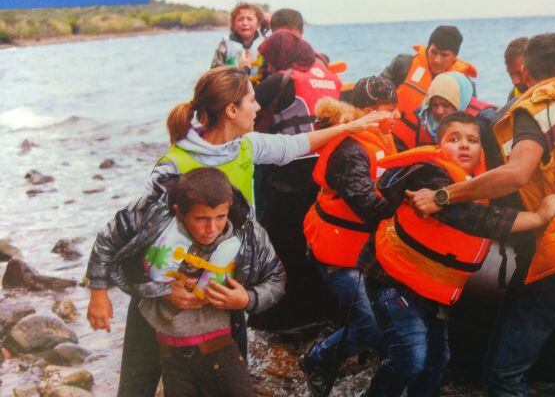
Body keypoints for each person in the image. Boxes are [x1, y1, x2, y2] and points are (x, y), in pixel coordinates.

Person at [88, 65, 388, 397]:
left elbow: (295, 145)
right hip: (161, 297)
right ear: (232, 110)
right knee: (137, 388)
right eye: (252, 100)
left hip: (219, 293)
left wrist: (350, 127)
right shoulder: (174, 166)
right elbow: (125, 234)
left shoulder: (245, 146)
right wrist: (137, 290)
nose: (258, 107)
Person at [408, 33, 555, 396]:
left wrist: (445, 195)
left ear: (526, 72)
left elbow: (517, 173)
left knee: (503, 372)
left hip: (552, 252)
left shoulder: (537, 109)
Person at [359, 111, 555, 397]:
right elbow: (472, 217)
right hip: (392, 280)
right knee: (411, 357)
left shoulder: (478, 182)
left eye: (472, 140)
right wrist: (538, 217)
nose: (464, 145)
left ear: (482, 149)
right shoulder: (429, 174)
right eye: (454, 139)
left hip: (432, 290)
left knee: (436, 360)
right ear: (439, 145)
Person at [88, 168, 284, 396]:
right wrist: (99, 293)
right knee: (135, 390)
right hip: (160, 332)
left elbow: (276, 278)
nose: (211, 229)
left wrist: (247, 299)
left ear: (228, 208)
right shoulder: (151, 213)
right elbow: (107, 240)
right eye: (201, 219)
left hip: (221, 338)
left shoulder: (248, 232)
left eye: (220, 218)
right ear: (179, 213)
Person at [299, 76, 400, 395]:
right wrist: (411, 207)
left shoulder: (381, 137)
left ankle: (380, 364)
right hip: (338, 250)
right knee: (371, 325)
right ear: (369, 112)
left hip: (366, 247)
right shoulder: (350, 149)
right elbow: (368, 205)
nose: (397, 115)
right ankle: (316, 359)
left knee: (382, 318)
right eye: (390, 109)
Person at [250, 29, 349, 330]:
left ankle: (280, 319)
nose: (267, 64)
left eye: (268, 58)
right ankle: (324, 313)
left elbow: (245, 107)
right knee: (314, 246)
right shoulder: (329, 76)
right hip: (326, 172)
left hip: (289, 174)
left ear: (279, 56)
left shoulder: (279, 81)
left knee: (281, 246)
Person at [381, 25, 478, 150]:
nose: (437, 59)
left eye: (444, 55)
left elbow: (469, 127)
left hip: (434, 150)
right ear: (428, 49)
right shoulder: (403, 65)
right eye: (434, 52)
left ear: (454, 57)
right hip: (394, 142)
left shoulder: (465, 86)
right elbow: (376, 97)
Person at [414, 71, 495, 146]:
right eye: (434, 105)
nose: (439, 111)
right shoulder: (423, 118)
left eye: (446, 105)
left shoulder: (483, 121)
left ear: (459, 102)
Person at [211, 2, 268, 85]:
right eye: (240, 19)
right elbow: (214, 74)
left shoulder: (265, 42)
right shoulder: (225, 44)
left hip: (260, 89)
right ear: (233, 24)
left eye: (249, 19)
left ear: (258, 23)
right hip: (232, 88)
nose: (245, 23)